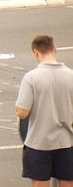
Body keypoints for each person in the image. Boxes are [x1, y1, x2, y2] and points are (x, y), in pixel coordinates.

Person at [15, 34, 73, 187]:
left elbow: (22, 113)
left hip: (38, 143)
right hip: (66, 142)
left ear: (36, 52)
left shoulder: (31, 78)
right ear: (55, 49)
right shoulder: (71, 75)